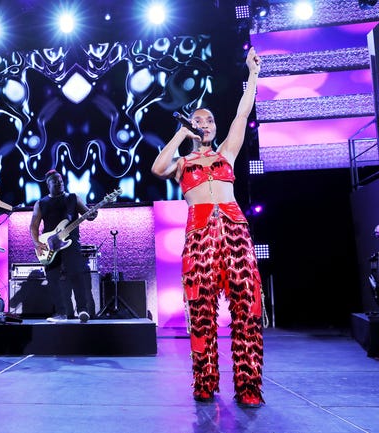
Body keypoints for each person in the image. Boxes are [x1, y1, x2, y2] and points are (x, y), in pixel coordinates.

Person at [151, 47, 264, 408]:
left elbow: (242, 113)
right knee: (201, 312)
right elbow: (157, 168)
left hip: (235, 233)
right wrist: (180, 134)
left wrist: (253, 74)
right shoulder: (182, 163)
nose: (205, 123)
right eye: (198, 120)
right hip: (199, 236)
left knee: (246, 307)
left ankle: (248, 385)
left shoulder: (226, 152)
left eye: (209, 120)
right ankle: (205, 381)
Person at [30, 169, 97, 323]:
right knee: (52, 279)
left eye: (60, 181)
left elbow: (88, 214)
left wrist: (93, 214)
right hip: (50, 245)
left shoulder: (73, 198)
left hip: (71, 243)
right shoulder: (41, 203)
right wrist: (37, 243)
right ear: (48, 185)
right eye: (55, 182)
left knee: (77, 275)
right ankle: (60, 313)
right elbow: (33, 226)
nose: (59, 183)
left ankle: (82, 310)